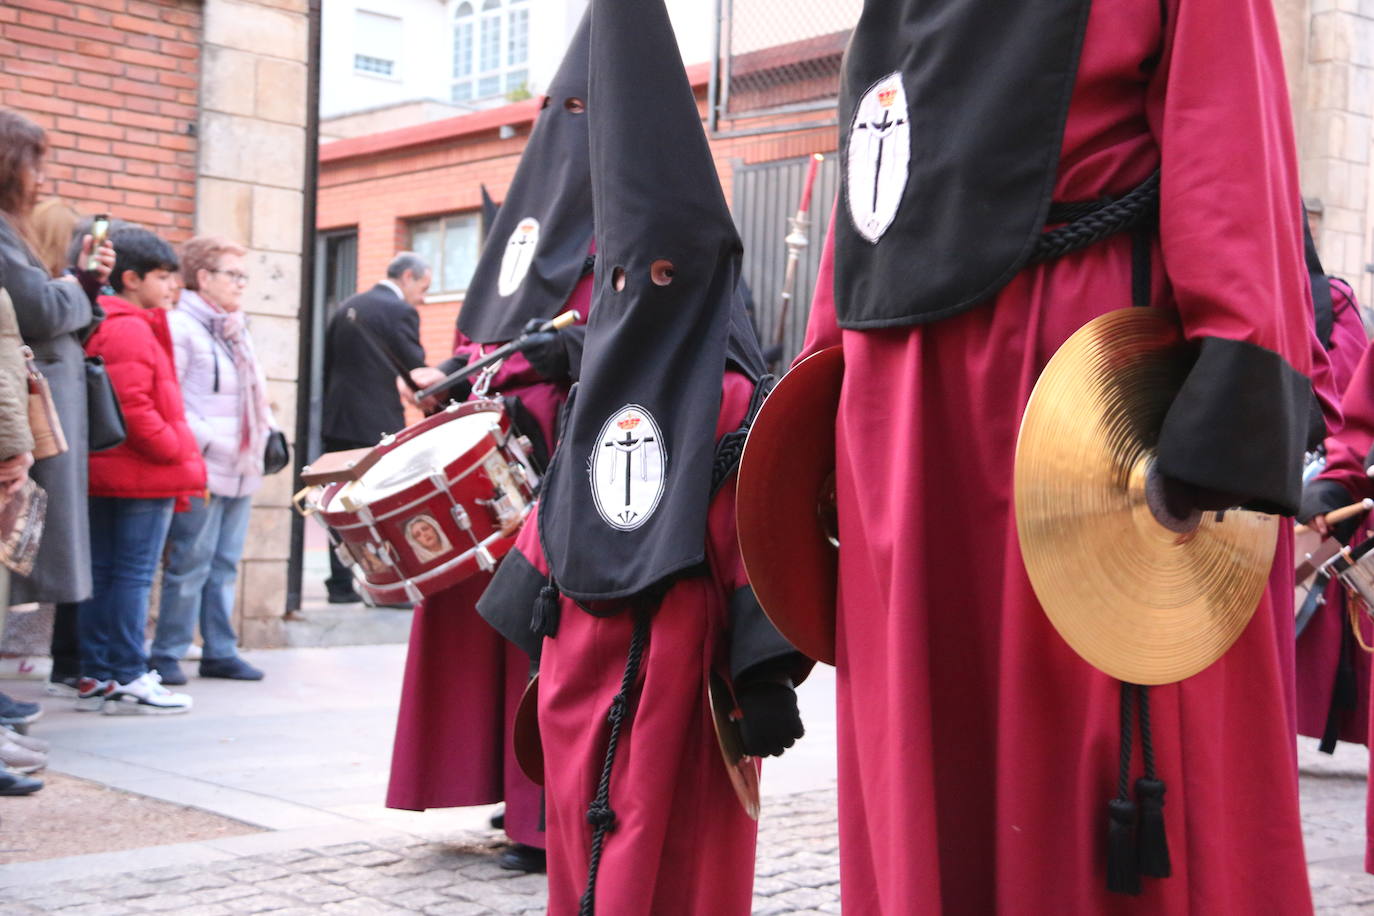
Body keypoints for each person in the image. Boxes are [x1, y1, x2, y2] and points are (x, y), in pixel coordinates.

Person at [786, 0, 1320, 911]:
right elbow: (873, 161)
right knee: (929, 754)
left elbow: (1221, 109)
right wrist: (814, 412)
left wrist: (1230, 383)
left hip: (1077, 388)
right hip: (907, 401)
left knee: (1080, 770)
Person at [478, 1, 807, 910]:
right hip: (582, 653)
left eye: (663, 277)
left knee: (672, 844)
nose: (639, 295)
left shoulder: (730, 394)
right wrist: (529, 590)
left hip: (679, 660)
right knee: (588, 828)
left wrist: (764, 667)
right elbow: (561, 507)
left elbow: (748, 536)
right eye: (626, 278)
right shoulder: (600, 386)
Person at [385, 13, 595, 874]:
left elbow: (681, 329)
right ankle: (517, 798)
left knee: (554, 634)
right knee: (495, 628)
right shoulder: (527, 230)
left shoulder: (635, 215)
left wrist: (575, 349)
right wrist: (460, 367)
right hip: (506, 463)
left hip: (583, 464)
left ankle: (556, 814)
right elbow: (492, 329)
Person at [0, 110, 114, 724]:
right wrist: (80, 285)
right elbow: (40, 311)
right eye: (34, 164)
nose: (41, 180)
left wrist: (80, 289)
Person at [76, 228, 204, 713]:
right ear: (131, 279)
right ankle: (128, 671)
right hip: (140, 471)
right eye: (164, 276)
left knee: (105, 573)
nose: (172, 286)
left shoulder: (110, 318)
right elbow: (135, 407)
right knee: (132, 575)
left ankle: (96, 672)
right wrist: (176, 450)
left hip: (111, 469)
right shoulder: (130, 325)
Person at [149, 236, 276, 684]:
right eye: (233, 275)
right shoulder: (181, 326)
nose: (241, 284)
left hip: (242, 465)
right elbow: (175, 401)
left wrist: (265, 433)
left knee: (224, 562)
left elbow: (254, 394)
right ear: (203, 278)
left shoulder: (235, 327)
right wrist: (215, 444)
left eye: (244, 276)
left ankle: (219, 650)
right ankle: (167, 652)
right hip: (203, 465)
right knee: (190, 562)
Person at [319, 252, 431, 605]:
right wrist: (426, 396)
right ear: (408, 276)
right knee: (382, 504)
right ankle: (390, 586)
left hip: (337, 418)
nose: (424, 299)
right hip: (376, 421)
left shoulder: (346, 305)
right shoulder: (398, 311)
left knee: (338, 502)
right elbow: (415, 369)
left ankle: (339, 584)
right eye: (424, 288)